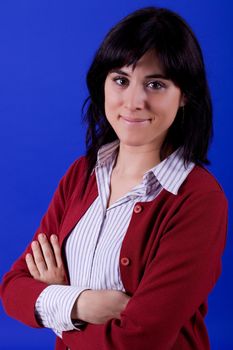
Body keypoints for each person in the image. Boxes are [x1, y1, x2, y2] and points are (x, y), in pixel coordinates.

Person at [0, 6, 228, 350]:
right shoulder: (81, 174)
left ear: (184, 96)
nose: (133, 102)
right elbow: (13, 289)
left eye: (155, 84)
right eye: (121, 80)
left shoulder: (198, 199)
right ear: (102, 84)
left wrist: (54, 300)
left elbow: (141, 339)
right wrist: (81, 303)